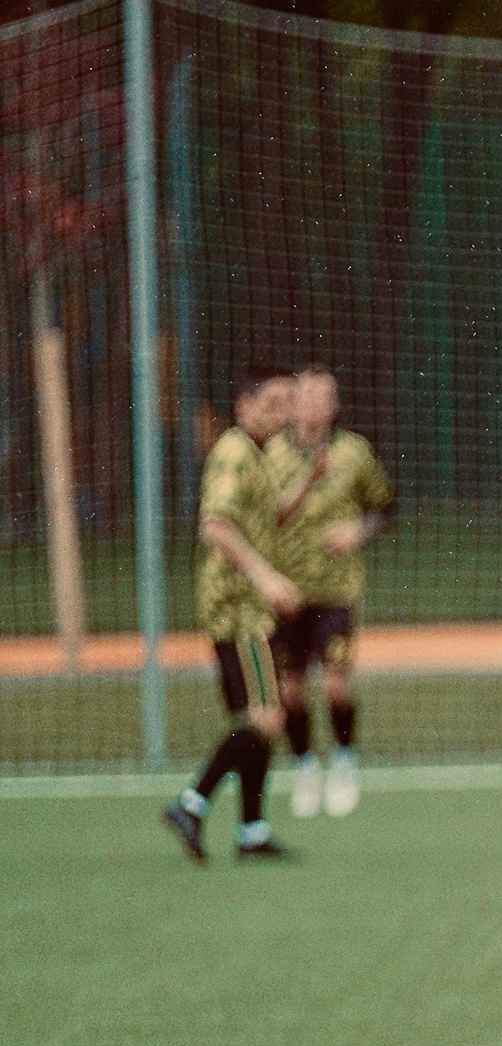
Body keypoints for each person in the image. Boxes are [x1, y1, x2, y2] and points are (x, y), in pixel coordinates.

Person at [162, 368, 303, 862]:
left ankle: (251, 833)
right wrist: (266, 578)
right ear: (244, 406)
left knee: (260, 717)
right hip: (240, 609)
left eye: (290, 403)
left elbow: (262, 516)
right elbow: (216, 526)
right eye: (274, 402)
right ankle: (191, 802)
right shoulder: (234, 453)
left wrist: (307, 485)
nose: (284, 413)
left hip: (250, 608)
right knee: (266, 717)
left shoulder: (261, 456)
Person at [267, 367, 394, 818]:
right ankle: (304, 767)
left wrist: (358, 532)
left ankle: (343, 761)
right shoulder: (272, 455)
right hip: (286, 593)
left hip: (337, 589)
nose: (316, 404)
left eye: (326, 397)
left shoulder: (353, 452)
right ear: (293, 403)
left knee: (337, 684)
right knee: (290, 691)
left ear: (335, 405)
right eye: (307, 396)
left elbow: (384, 506)